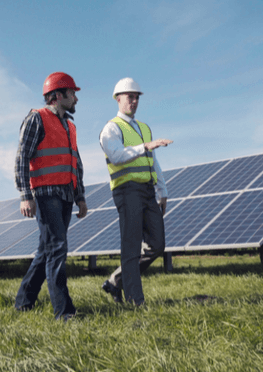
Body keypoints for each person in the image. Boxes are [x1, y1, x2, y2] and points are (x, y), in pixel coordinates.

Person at [14, 72, 88, 320]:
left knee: (46, 250)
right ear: (58, 96)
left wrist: (81, 196)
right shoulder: (37, 119)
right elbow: (22, 158)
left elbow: (75, 163)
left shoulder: (70, 125)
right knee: (57, 248)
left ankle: (24, 302)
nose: (76, 98)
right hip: (45, 194)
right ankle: (64, 313)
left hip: (66, 193)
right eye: (72, 93)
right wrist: (26, 195)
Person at [99, 77, 173, 305]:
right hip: (126, 190)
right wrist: (145, 146)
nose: (134, 101)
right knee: (130, 246)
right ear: (118, 99)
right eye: (130, 97)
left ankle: (115, 281)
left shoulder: (144, 128)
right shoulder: (111, 128)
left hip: (148, 191)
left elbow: (153, 161)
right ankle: (134, 302)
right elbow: (117, 156)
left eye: (137, 97)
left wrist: (162, 190)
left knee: (157, 244)